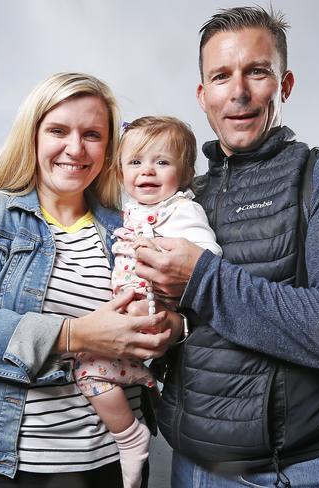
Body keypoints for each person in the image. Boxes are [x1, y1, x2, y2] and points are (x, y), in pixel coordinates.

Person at [134, 7, 319, 488]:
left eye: (257, 71)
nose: (238, 92)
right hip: (186, 464)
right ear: (202, 94)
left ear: (286, 84)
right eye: (220, 76)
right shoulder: (185, 197)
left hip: (290, 473)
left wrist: (203, 279)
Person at [0, 72, 184, 488]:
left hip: (117, 462)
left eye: (93, 134)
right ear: (33, 136)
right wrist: (75, 335)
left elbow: (171, 311)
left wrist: (172, 329)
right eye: (58, 131)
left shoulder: (126, 226)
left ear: (109, 149)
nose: (75, 149)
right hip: (22, 467)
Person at [73, 116, 221, 488]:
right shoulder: (126, 211)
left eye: (162, 162)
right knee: (86, 368)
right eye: (136, 162)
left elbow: (207, 257)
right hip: (133, 308)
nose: (148, 172)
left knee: (85, 367)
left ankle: (129, 436)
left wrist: (171, 263)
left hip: (152, 305)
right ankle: (133, 417)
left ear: (185, 174)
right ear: (120, 171)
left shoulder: (181, 210)